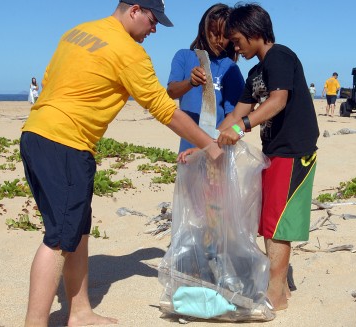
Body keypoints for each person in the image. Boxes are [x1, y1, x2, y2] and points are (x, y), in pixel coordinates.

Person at [19, 1, 221, 326]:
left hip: (36, 135)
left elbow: (49, 80)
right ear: (135, 10)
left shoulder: (78, 32)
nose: (154, 29)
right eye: (153, 21)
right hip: (66, 144)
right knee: (59, 237)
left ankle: (81, 311)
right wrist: (209, 145)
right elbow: (163, 108)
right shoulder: (128, 51)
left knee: (79, 231)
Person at [215, 3, 319, 311]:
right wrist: (206, 143)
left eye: (237, 40)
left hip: (293, 151)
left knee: (278, 225)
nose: (235, 46)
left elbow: (278, 100)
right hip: (273, 152)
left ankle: (275, 295)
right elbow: (237, 112)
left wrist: (242, 129)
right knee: (268, 222)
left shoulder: (280, 56)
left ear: (254, 32)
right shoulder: (256, 71)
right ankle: (279, 289)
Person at [167, 3, 245, 152]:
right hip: (187, 146)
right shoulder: (184, 56)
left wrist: (223, 140)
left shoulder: (230, 68)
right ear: (204, 29)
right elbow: (171, 92)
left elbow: (235, 115)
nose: (220, 40)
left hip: (217, 147)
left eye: (225, 36)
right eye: (215, 33)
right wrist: (190, 82)